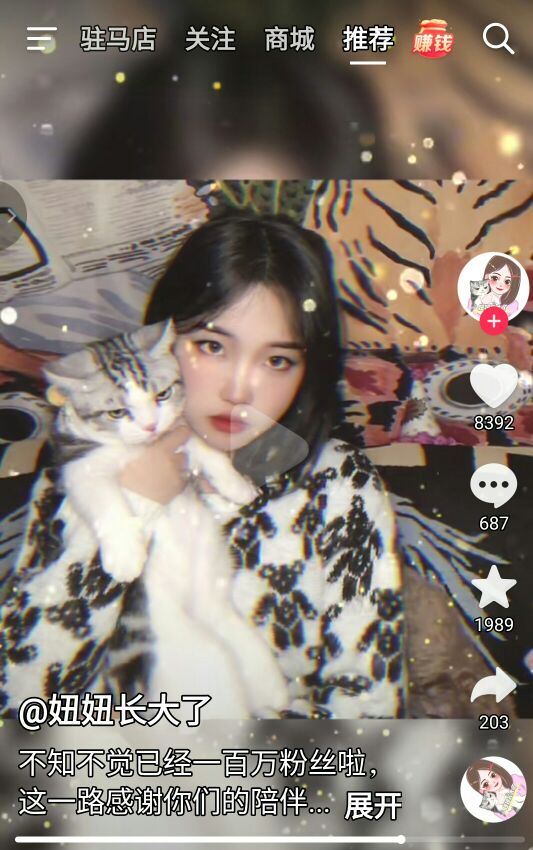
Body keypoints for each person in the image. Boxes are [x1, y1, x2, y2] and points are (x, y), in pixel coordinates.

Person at [1, 211, 404, 719]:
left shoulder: (337, 482)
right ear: (162, 340)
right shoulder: (81, 468)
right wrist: (139, 500)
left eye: (277, 360)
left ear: (308, 369)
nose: (239, 389)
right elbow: (23, 702)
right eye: (211, 346)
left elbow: (368, 709)